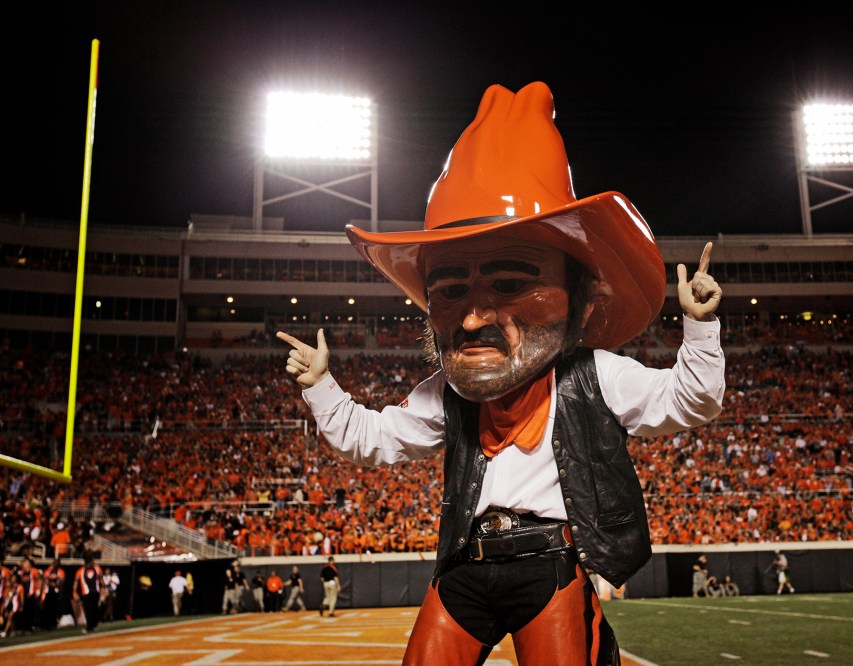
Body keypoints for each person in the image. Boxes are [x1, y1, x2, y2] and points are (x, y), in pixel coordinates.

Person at [278, 80, 725, 664]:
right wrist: (321, 386)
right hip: (466, 562)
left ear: (579, 295)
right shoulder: (450, 392)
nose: (471, 319)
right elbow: (374, 439)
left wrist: (700, 326)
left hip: (550, 567)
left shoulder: (597, 377)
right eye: (451, 289)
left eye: (511, 284)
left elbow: (694, 399)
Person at [72, 553, 103, 633]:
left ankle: (93, 624)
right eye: (92, 561)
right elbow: (76, 583)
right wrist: (75, 593)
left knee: (94, 609)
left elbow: (101, 581)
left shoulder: (97, 568)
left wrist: (103, 590)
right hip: (86, 593)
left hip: (95, 592)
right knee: (88, 610)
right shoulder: (80, 571)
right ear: (89, 561)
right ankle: (90, 626)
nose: (93, 562)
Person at [40, 557, 67, 630]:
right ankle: (45, 624)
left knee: (54, 608)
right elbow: (44, 580)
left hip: (56, 592)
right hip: (48, 592)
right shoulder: (48, 571)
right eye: (54, 562)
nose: (55, 564)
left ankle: (53, 624)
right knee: (46, 608)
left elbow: (62, 582)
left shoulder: (61, 572)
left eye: (57, 563)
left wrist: (57, 586)